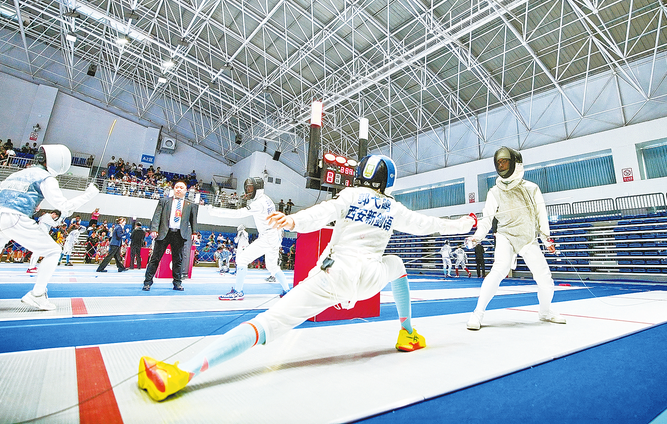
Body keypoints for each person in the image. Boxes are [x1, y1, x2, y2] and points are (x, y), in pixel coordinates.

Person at [136, 154, 475, 401]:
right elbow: (429, 225)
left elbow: (322, 214)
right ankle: (407, 332)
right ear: (389, 181)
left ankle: (184, 372)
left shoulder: (350, 195)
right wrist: (466, 224)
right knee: (396, 263)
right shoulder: (394, 207)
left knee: (268, 324)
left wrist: (293, 221)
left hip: (335, 276)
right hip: (370, 278)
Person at [0, 145, 98, 307]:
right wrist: (89, 195)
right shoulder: (46, 178)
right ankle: (37, 294)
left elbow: (2, 195)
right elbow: (64, 206)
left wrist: (31, 205)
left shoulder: (18, 173)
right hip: (14, 218)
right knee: (53, 251)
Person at [465, 147, 565, 330]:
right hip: (506, 236)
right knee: (498, 269)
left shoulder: (531, 188)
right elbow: (487, 219)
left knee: (545, 278)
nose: (501, 165)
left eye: (504, 161)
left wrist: (546, 239)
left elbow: (541, 215)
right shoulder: (494, 192)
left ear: (515, 163)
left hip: (528, 238)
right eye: (499, 162)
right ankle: (477, 313)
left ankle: (545, 312)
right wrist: (477, 237)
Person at [214, 178, 291, 300]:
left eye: (250, 188)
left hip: (268, 237)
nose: (247, 191)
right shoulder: (266, 199)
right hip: (274, 235)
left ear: (257, 189)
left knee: (242, 259)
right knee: (272, 267)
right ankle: (287, 290)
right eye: (247, 188)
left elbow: (239, 213)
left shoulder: (258, 203)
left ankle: (238, 291)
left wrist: (217, 212)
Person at [143, 180, 198, 291]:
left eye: (181, 188)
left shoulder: (190, 205)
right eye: (177, 187)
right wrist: (154, 229)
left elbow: (193, 220)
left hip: (179, 234)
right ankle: (147, 282)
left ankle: (177, 283)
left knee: (178, 260)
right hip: (164, 233)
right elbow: (157, 216)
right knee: (155, 259)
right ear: (174, 189)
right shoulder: (164, 201)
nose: (178, 189)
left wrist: (194, 233)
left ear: (186, 190)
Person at [27, 209, 62, 274]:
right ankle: (31, 267)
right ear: (54, 214)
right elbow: (54, 224)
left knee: (38, 252)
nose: (55, 218)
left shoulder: (46, 217)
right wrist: (61, 218)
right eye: (56, 216)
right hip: (40, 235)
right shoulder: (47, 217)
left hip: (42, 235)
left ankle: (32, 266)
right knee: (37, 252)